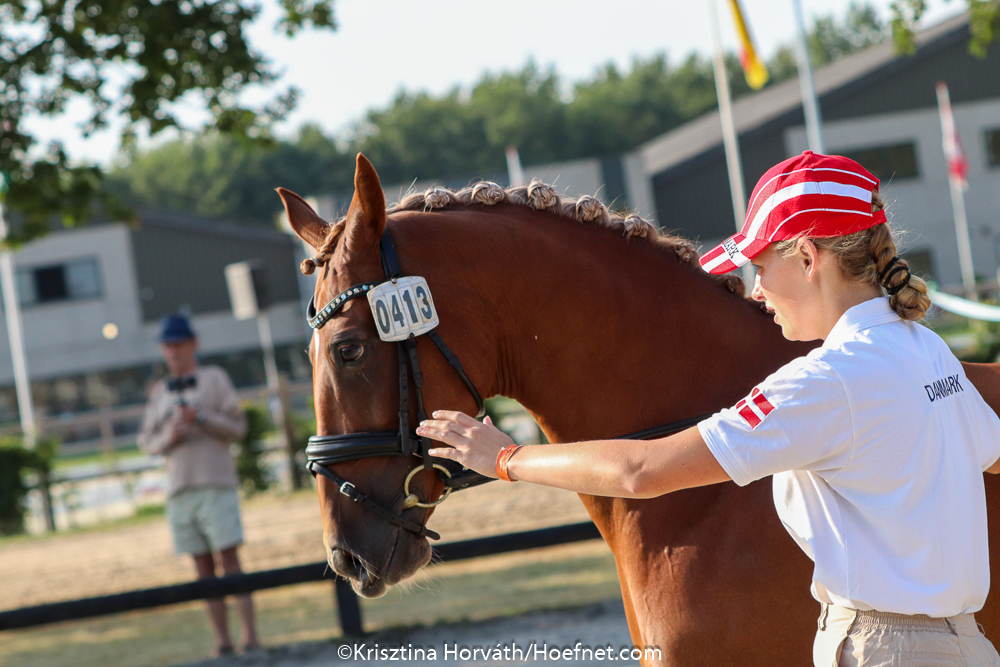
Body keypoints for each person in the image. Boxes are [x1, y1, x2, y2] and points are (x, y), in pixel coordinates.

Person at [417, 151, 1000, 667]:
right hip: (968, 646)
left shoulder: (824, 381)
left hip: (883, 650)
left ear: (806, 256)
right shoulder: (927, 352)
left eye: (760, 267)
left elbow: (641, 472)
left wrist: (507, 459)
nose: (756, 290)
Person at [138, 314, 260, 656]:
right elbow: (146, 441)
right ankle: (222, 642)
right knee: (202, 569)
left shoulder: (214, 378)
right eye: (168, 345)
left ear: (193, 344)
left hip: (215, 484)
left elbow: (238, 428)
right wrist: (170, 435)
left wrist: (202, 418)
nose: (173, 352)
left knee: (230, 562)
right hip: (180, 490)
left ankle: (251, 637)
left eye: (179, 344)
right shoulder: (160, 390)